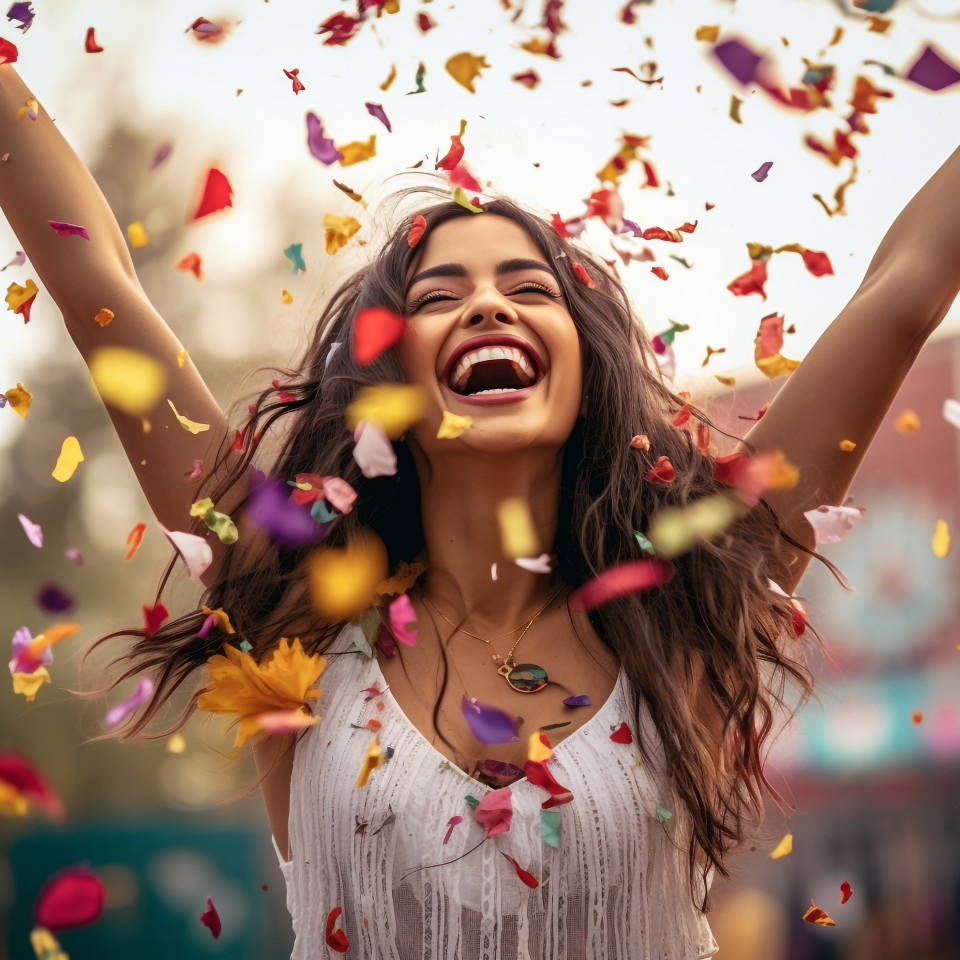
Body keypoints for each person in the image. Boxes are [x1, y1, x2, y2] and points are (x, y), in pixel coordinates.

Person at [2, 55, 958, 959]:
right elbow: (99, 284)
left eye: (529, 287)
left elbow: (902, 293)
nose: (489, 305)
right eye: (441, 293)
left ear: (585, 369)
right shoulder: (288, 596)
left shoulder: (689, 602)